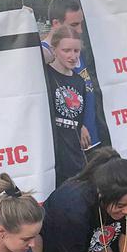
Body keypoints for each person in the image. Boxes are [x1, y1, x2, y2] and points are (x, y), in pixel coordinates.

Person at [41, 0, 99, 162]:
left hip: (92, 140)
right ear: (56, 24)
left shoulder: (76, 49)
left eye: (81, 24)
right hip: (67, 148)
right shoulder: (42, 55)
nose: (80, 30)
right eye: (74, 25)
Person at [45, 26, 96, 185]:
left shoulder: (79, 81)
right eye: (66, 50)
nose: (73, 56)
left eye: (76, 51)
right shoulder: (45, 76)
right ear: (55, 49)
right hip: (53, 156)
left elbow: (76, 116)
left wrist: (81, 126)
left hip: (74, 157)